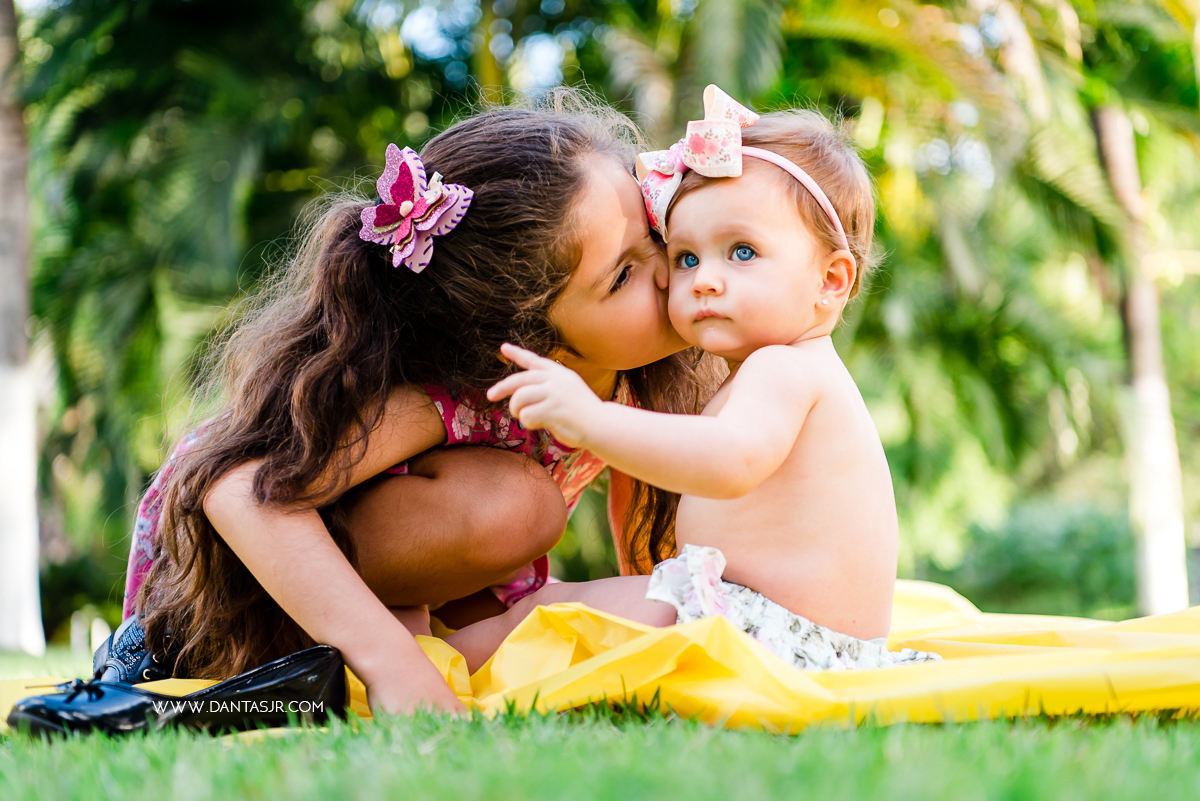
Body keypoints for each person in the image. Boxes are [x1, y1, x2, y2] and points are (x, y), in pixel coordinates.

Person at [127, 92, 719, 715]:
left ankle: (439, 642)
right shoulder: (443, 395)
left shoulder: (638, 375)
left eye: (656, 233)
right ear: (529, 339)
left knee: (642, 601)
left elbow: (651, 527)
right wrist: (393, 664)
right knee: (521, 507)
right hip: (216, 596)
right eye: (622, 274)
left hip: (428, 573)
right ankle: (387, 647)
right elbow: (241, 490)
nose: (667, 269)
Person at [446, 87, 940, 673]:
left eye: (742, 251)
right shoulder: (775, 370)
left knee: (553, 614)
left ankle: (415, 664)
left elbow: (729, 461)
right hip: (783, 630)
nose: (704, 279)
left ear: (830, 281)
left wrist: (592, 418)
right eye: (686, 257)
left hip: (772, 632)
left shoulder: (785, 370)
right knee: (585, 607)